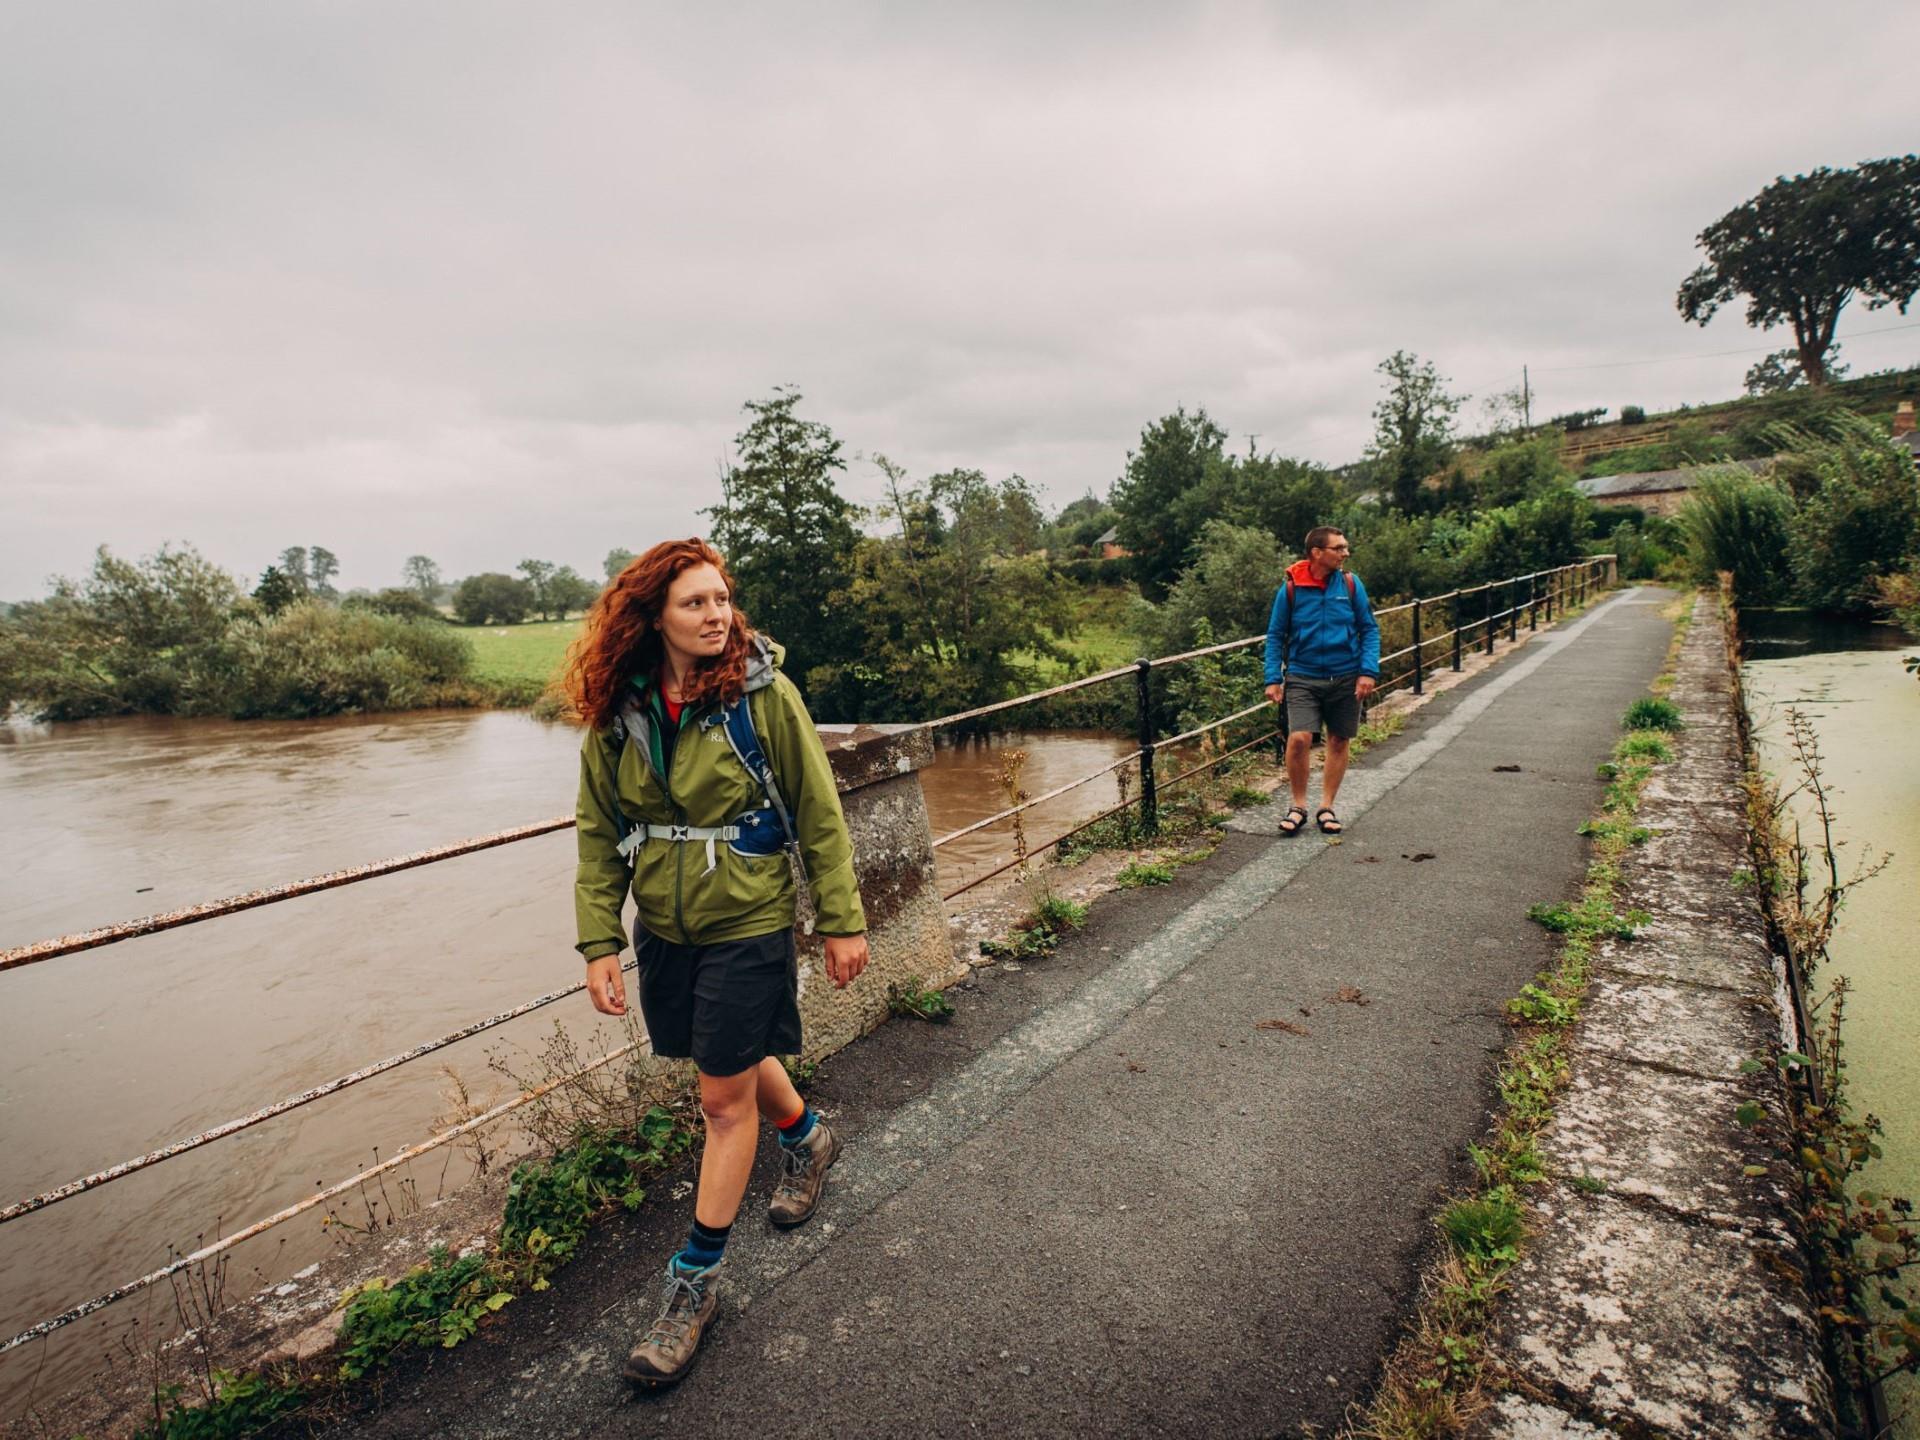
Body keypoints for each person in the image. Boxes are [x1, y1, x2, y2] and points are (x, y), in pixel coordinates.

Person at [566, 537, 870, 1388]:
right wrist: (599, 940)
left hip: (748, 916)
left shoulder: (762, 696)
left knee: (720, 1099)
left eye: (722, 598)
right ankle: (809, 1139)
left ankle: (692, 1287)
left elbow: (818, 810)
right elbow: (598, 834)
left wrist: (842, 921)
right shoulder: (620, 711)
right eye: (695, 602)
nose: (715, 615)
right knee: (725, 1062)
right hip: (664, 927)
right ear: (651, 616)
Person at [1262, 525, 1380, 837]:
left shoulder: (1351, 585)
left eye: (1345, 547)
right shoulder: (1290, 589)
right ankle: (1298, 806)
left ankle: (1326, 807)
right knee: (1299, 738)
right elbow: (1275, 635)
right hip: (1303, 675)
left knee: (1339, 739)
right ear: (1317, 552)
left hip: (1345, 675)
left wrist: (1367, 671)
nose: (1345, 553)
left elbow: (1369, 629)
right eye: (1338, 548)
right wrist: (1273, 677)